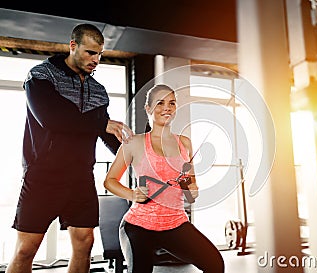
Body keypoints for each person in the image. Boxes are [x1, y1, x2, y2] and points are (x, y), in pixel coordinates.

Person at [6, 23, 133, 273]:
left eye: (99, 54)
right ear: (73, 46)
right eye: (89, 52)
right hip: (43, 175)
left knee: (85, 243)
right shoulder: (41, 76)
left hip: (80, 177)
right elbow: (52, 119)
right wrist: (101, 123)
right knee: (25, 249)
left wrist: (137, 154)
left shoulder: (98, 91)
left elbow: (104, 133)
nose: (96, 60)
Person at [104, 84, 225, 273]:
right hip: (138, 226)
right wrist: (133, 194)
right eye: (160, 103)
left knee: (215, 265)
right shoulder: (134, 143)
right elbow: (109, 181)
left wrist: (191, 190)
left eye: (172, 103)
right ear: (148, 108)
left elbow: (191, 192)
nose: (167, 108)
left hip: (175, 224)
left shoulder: (184, 143)